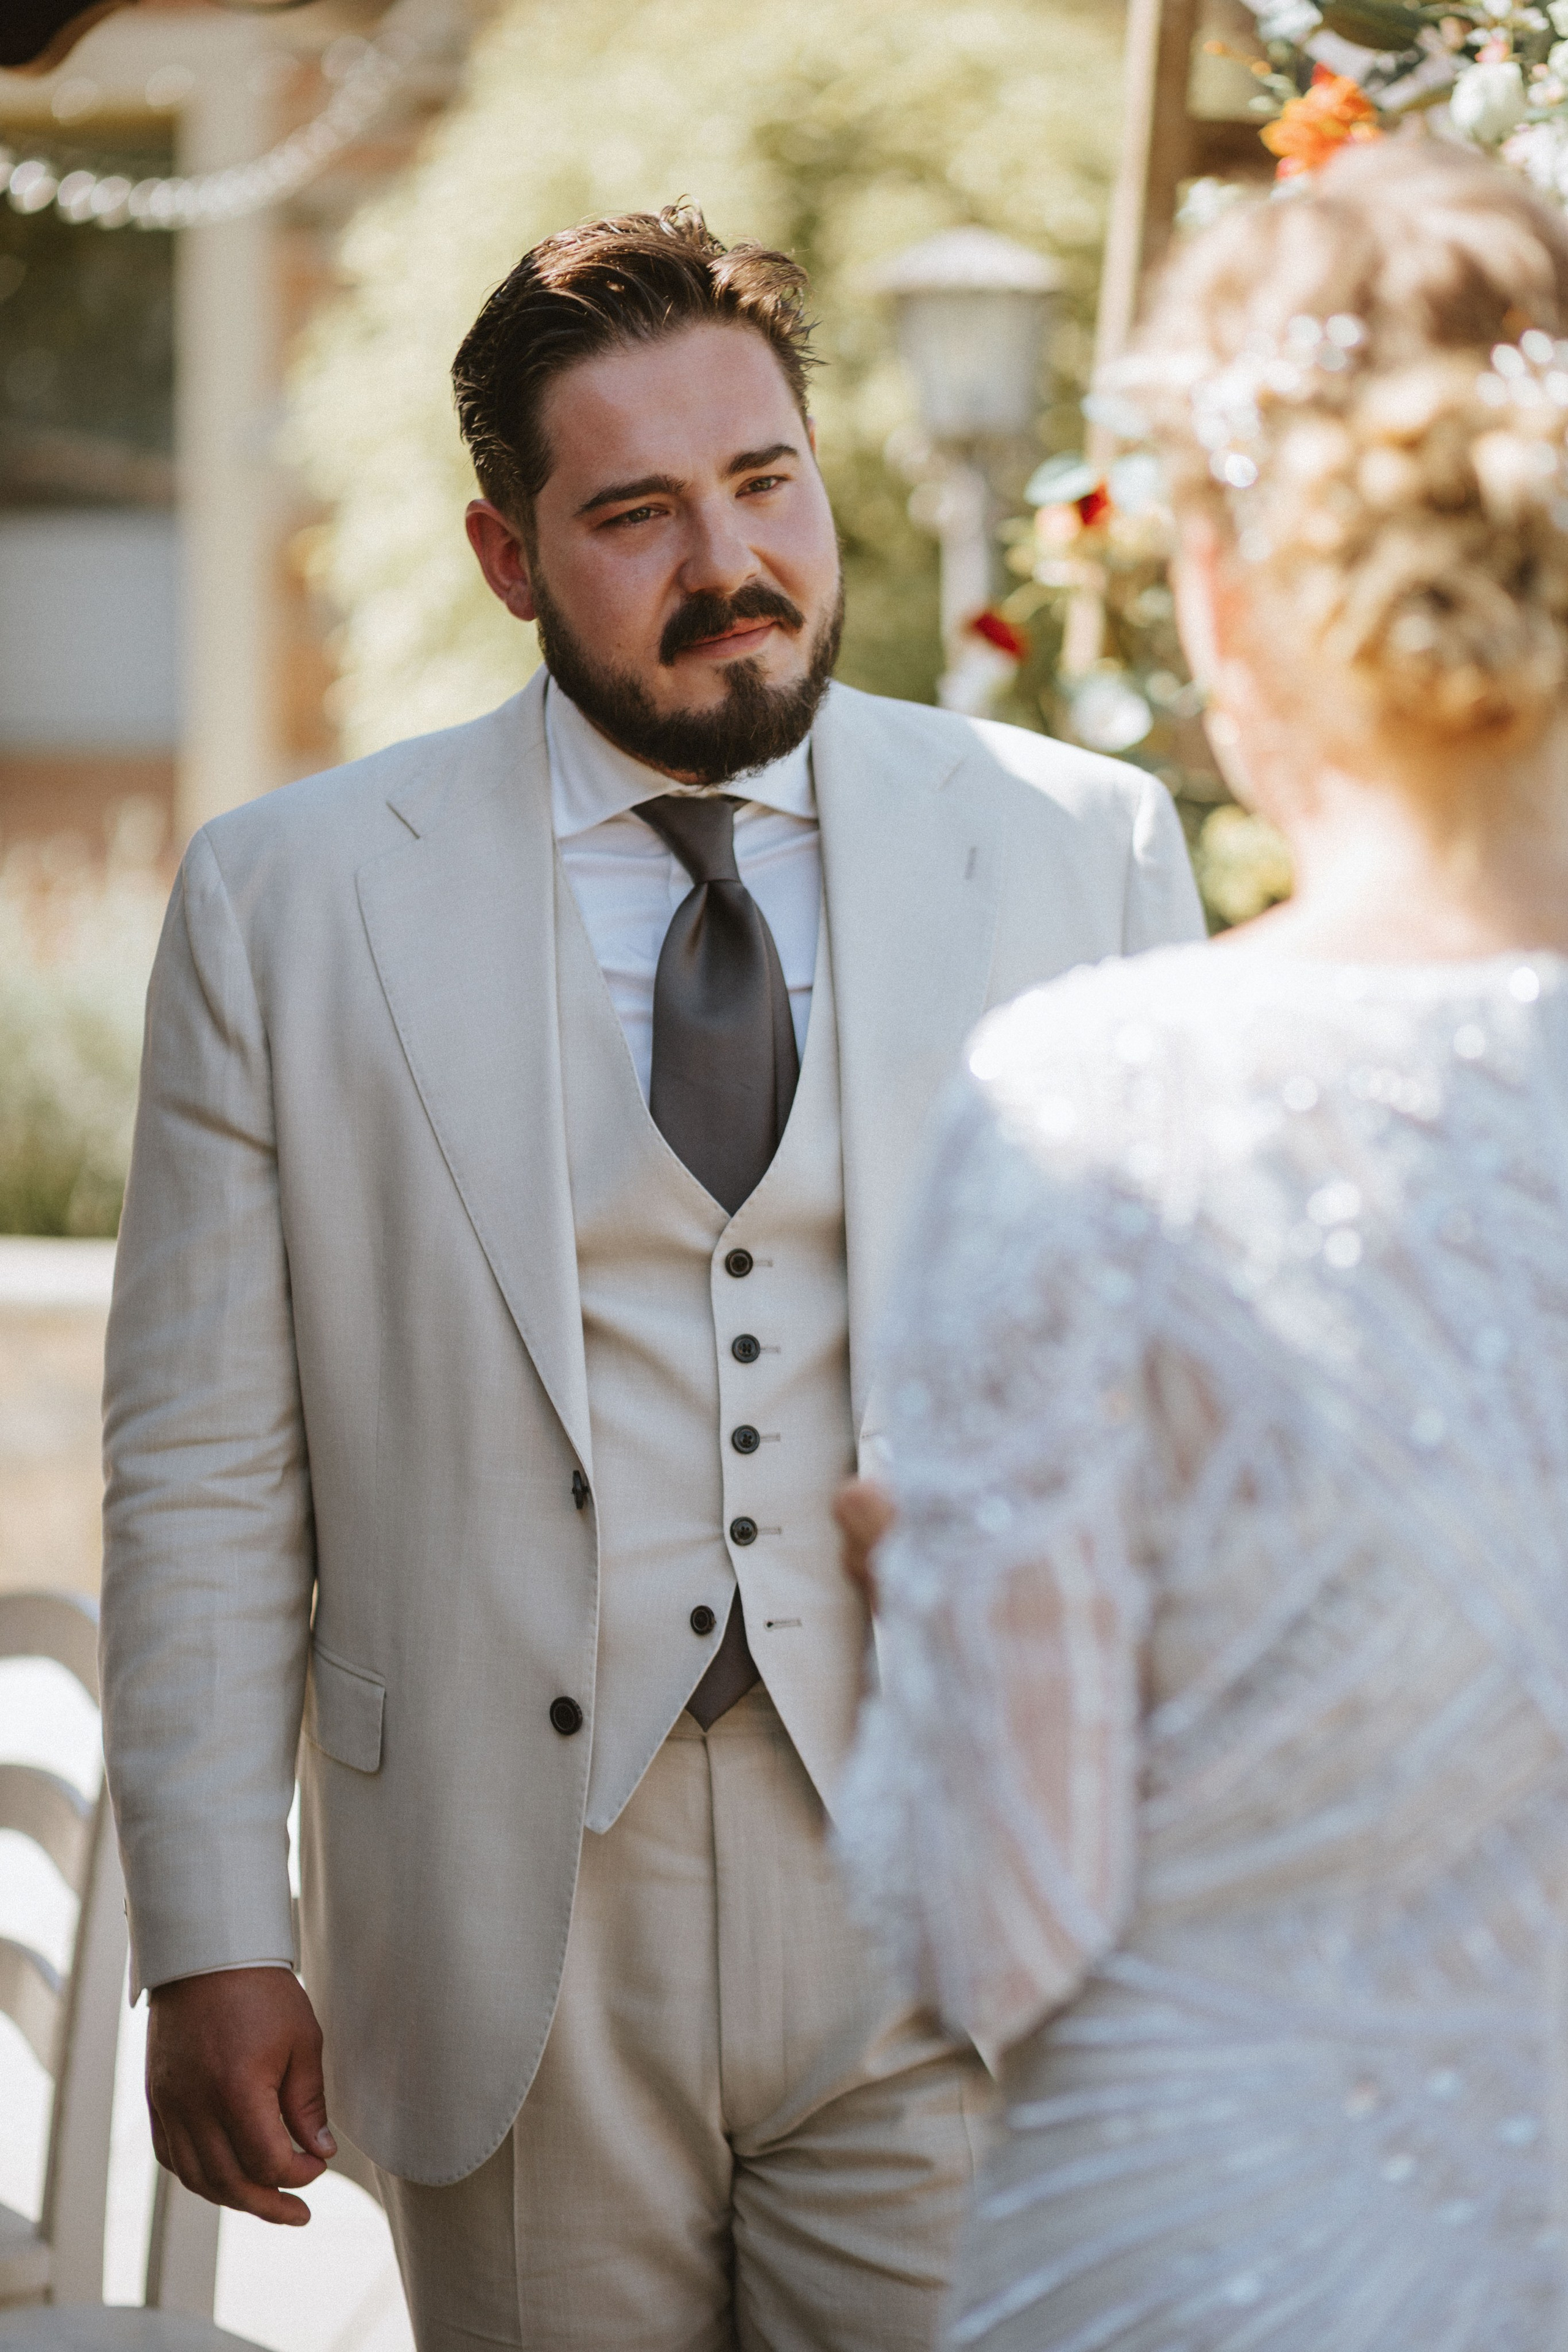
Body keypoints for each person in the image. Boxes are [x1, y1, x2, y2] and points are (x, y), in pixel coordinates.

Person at [98, 205, 1203, 2351]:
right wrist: (211, 1932)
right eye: (635, 515)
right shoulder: (289, 900)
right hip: (504, 1899)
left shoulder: (1082, 844)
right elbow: (205, 1466)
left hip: (955, 1883)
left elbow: (1188, 1407)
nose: (731, 562)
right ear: (508, 556)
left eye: (765, 481)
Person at [834, 140, 1568, 2352]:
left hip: (1196, 2259)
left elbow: (993, 1925)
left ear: (1231, 598)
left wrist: (931, 1613)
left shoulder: (1098, 1110)